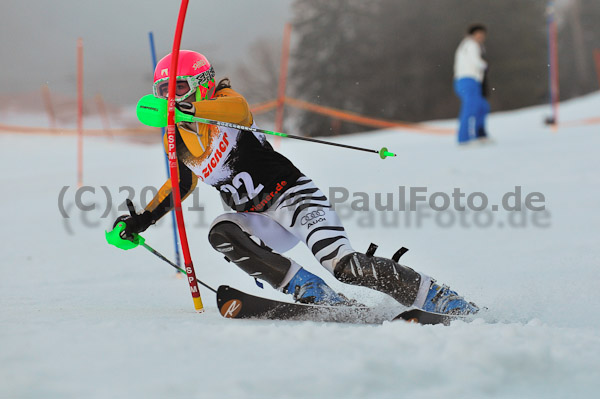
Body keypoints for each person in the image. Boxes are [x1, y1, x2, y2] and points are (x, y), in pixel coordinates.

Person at [107, 50, 479, 315]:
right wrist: (142, 220)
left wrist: (183, 109)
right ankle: (308, 289)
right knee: (221, 231)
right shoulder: (181, 139)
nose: (173, 99)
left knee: (344, 266)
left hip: (295, 199)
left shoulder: (223, 103)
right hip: (260, 219)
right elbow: (179, 184)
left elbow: (237, 110)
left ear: (202, 84)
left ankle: (435, 296)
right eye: (165, 93)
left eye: (181, 89)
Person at [454, 24, 491, 144]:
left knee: (482, 106)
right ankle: (464, 138)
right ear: (472, 34)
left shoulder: (473, 45)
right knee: (470, 108)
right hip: (467, 80)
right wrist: (485, 65)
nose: (481, 37)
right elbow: (476, 61)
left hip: (472, 81)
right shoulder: (471, 44)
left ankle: (480, 134)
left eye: (482, 35)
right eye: (478, 34)